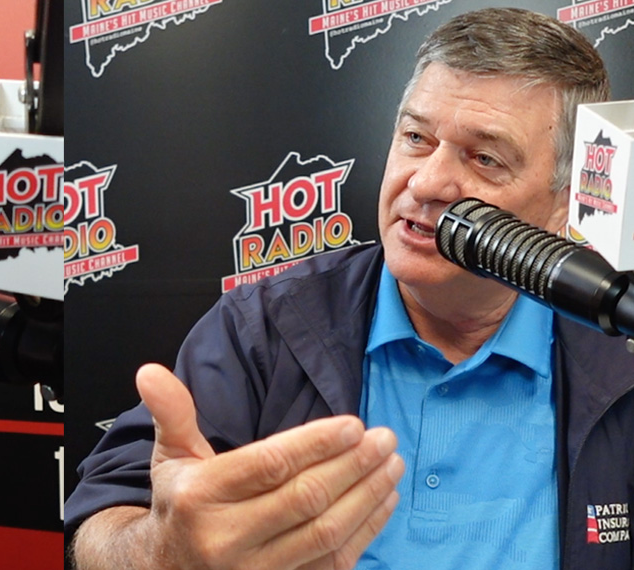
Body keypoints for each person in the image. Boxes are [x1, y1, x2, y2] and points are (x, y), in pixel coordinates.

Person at [66, 7, 632, 570]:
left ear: (564, 205)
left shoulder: (618, 355)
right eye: (416, 137)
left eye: (485, 159)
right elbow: (100, 525)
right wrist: (162, 549)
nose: (426, 182)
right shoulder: (265, 326)